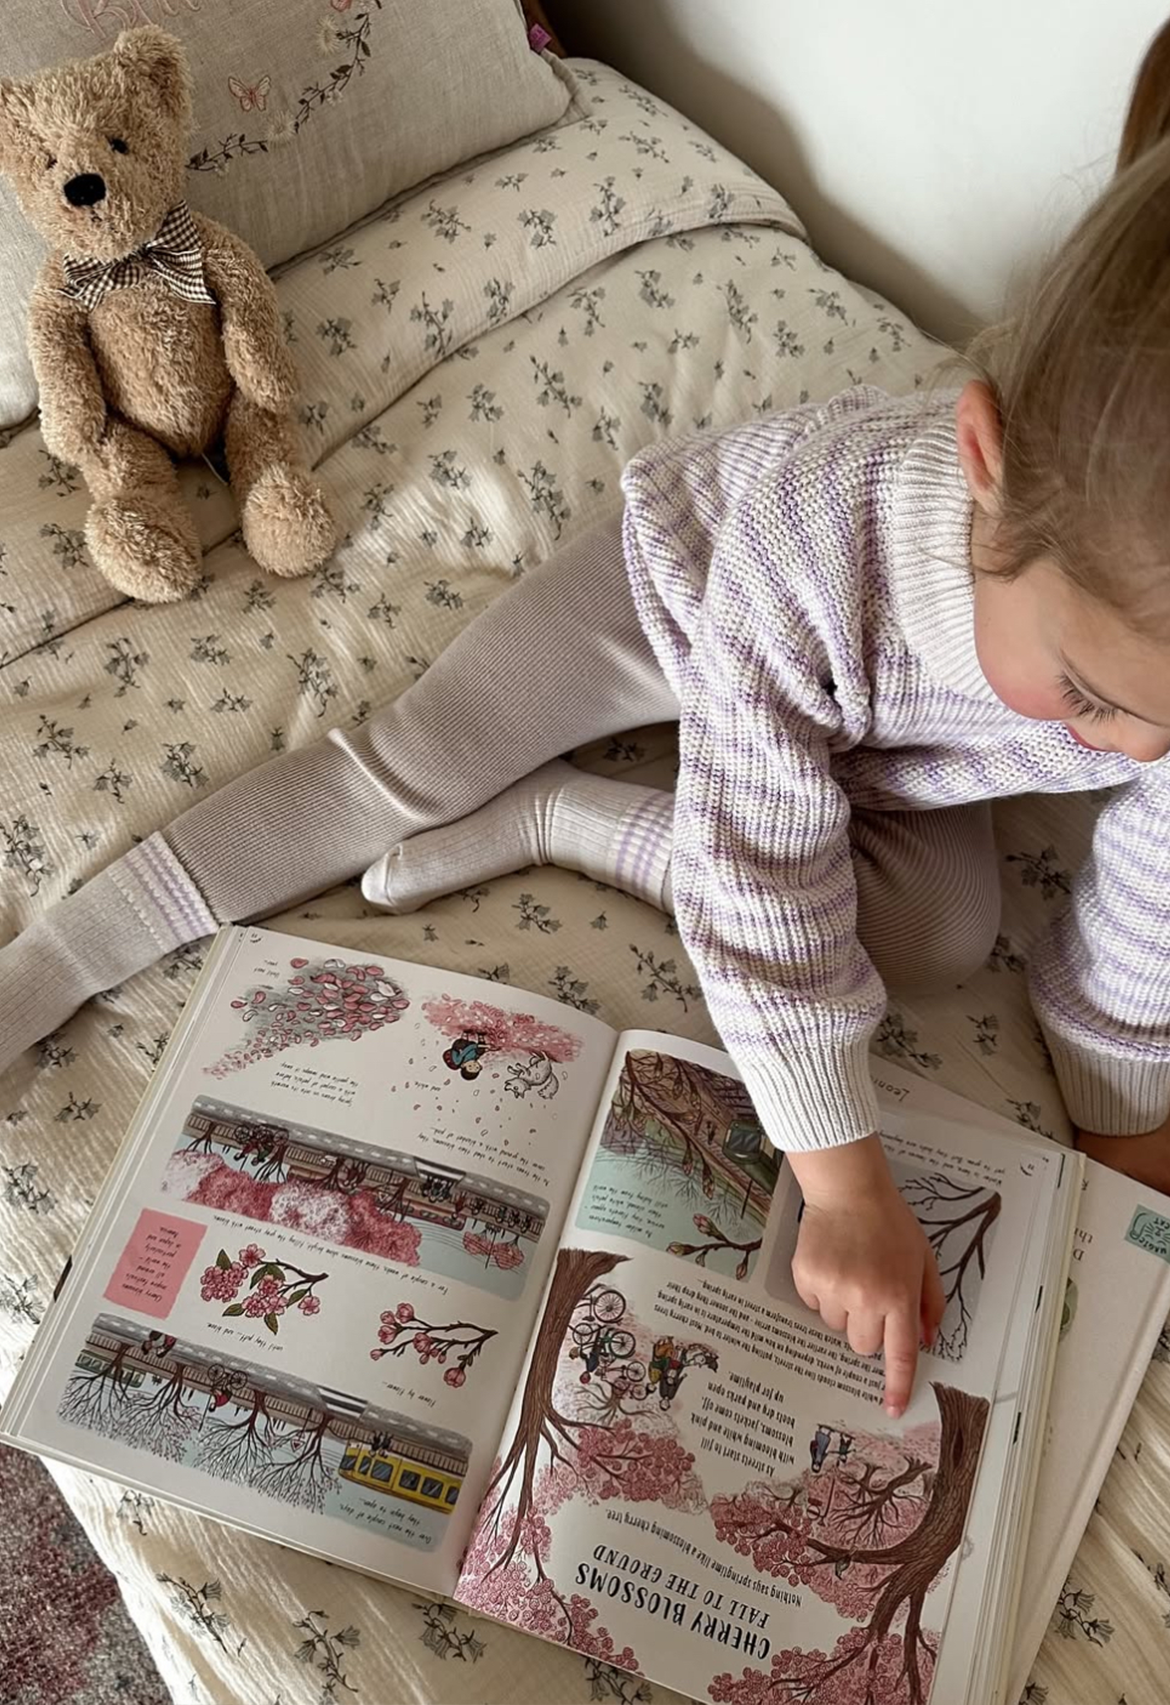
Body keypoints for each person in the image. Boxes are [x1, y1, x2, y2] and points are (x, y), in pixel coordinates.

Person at [4, 29, 1170, 1421]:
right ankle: (46, 966)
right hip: (688, 597)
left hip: (892, 742)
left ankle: (565, 815)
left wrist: (1125, 1156)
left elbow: (1141, 922)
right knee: (412, 763)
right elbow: (757, 871)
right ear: (985, 468)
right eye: (1096, 702)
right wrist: (842, 1181)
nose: (1134, 757)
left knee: (938, 940)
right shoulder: (811, 544)